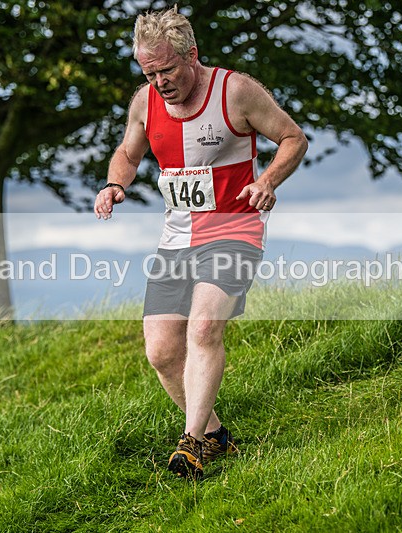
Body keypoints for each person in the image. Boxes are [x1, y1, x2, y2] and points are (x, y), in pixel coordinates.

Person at [94, 6, 308, 479]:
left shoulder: (235, 91)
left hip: (235, 229)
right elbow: (128, 154)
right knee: (162, 351)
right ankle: (214, 436)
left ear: (193, 55)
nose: (160, 82)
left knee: (205, 327)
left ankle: (190, 445)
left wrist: (268, 180)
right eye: (149, 73)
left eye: (167, 69)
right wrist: (115, 184)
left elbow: (293, 138)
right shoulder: (144, 102)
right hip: (178, 238)